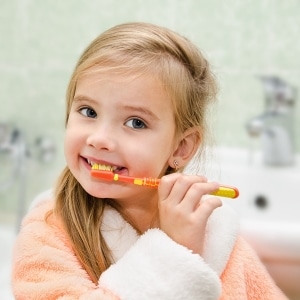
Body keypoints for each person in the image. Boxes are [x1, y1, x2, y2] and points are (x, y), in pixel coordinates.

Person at [11, 22, 287, 300]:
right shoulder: (47, 231)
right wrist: (172, 253)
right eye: (88, 111)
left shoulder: (213, 232)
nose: (99, 139)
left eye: (135, 122)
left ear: (181, 147)